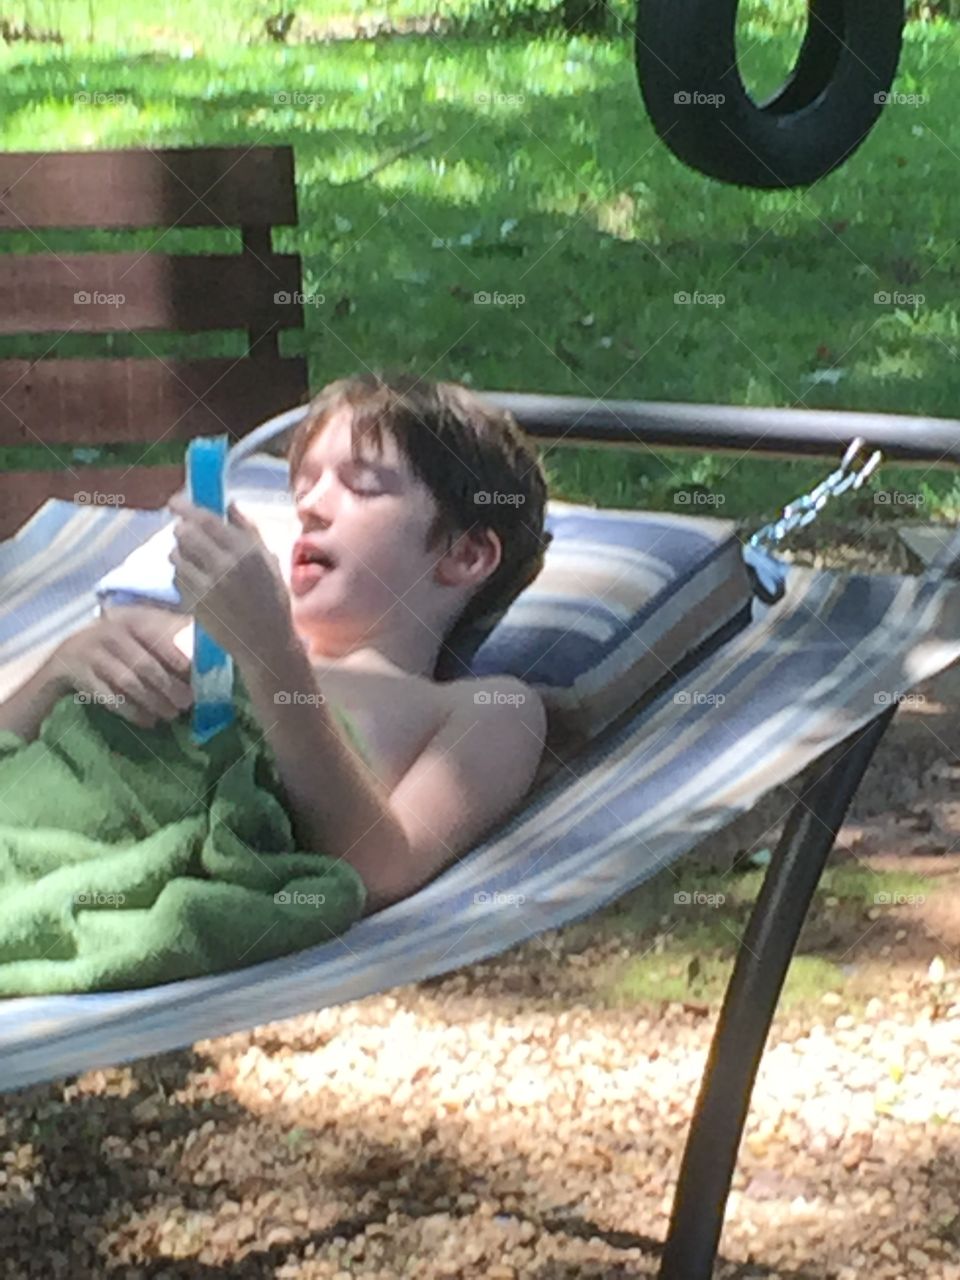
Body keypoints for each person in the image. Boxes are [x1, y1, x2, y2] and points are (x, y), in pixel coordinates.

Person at [0, 372, 553, 916]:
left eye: (360, 485)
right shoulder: (190, 635)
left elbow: (381, 868)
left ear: (467, 555)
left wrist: (272, 653)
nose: (311, 506)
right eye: (303, 487)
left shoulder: (488, 709)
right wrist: (60, 667)